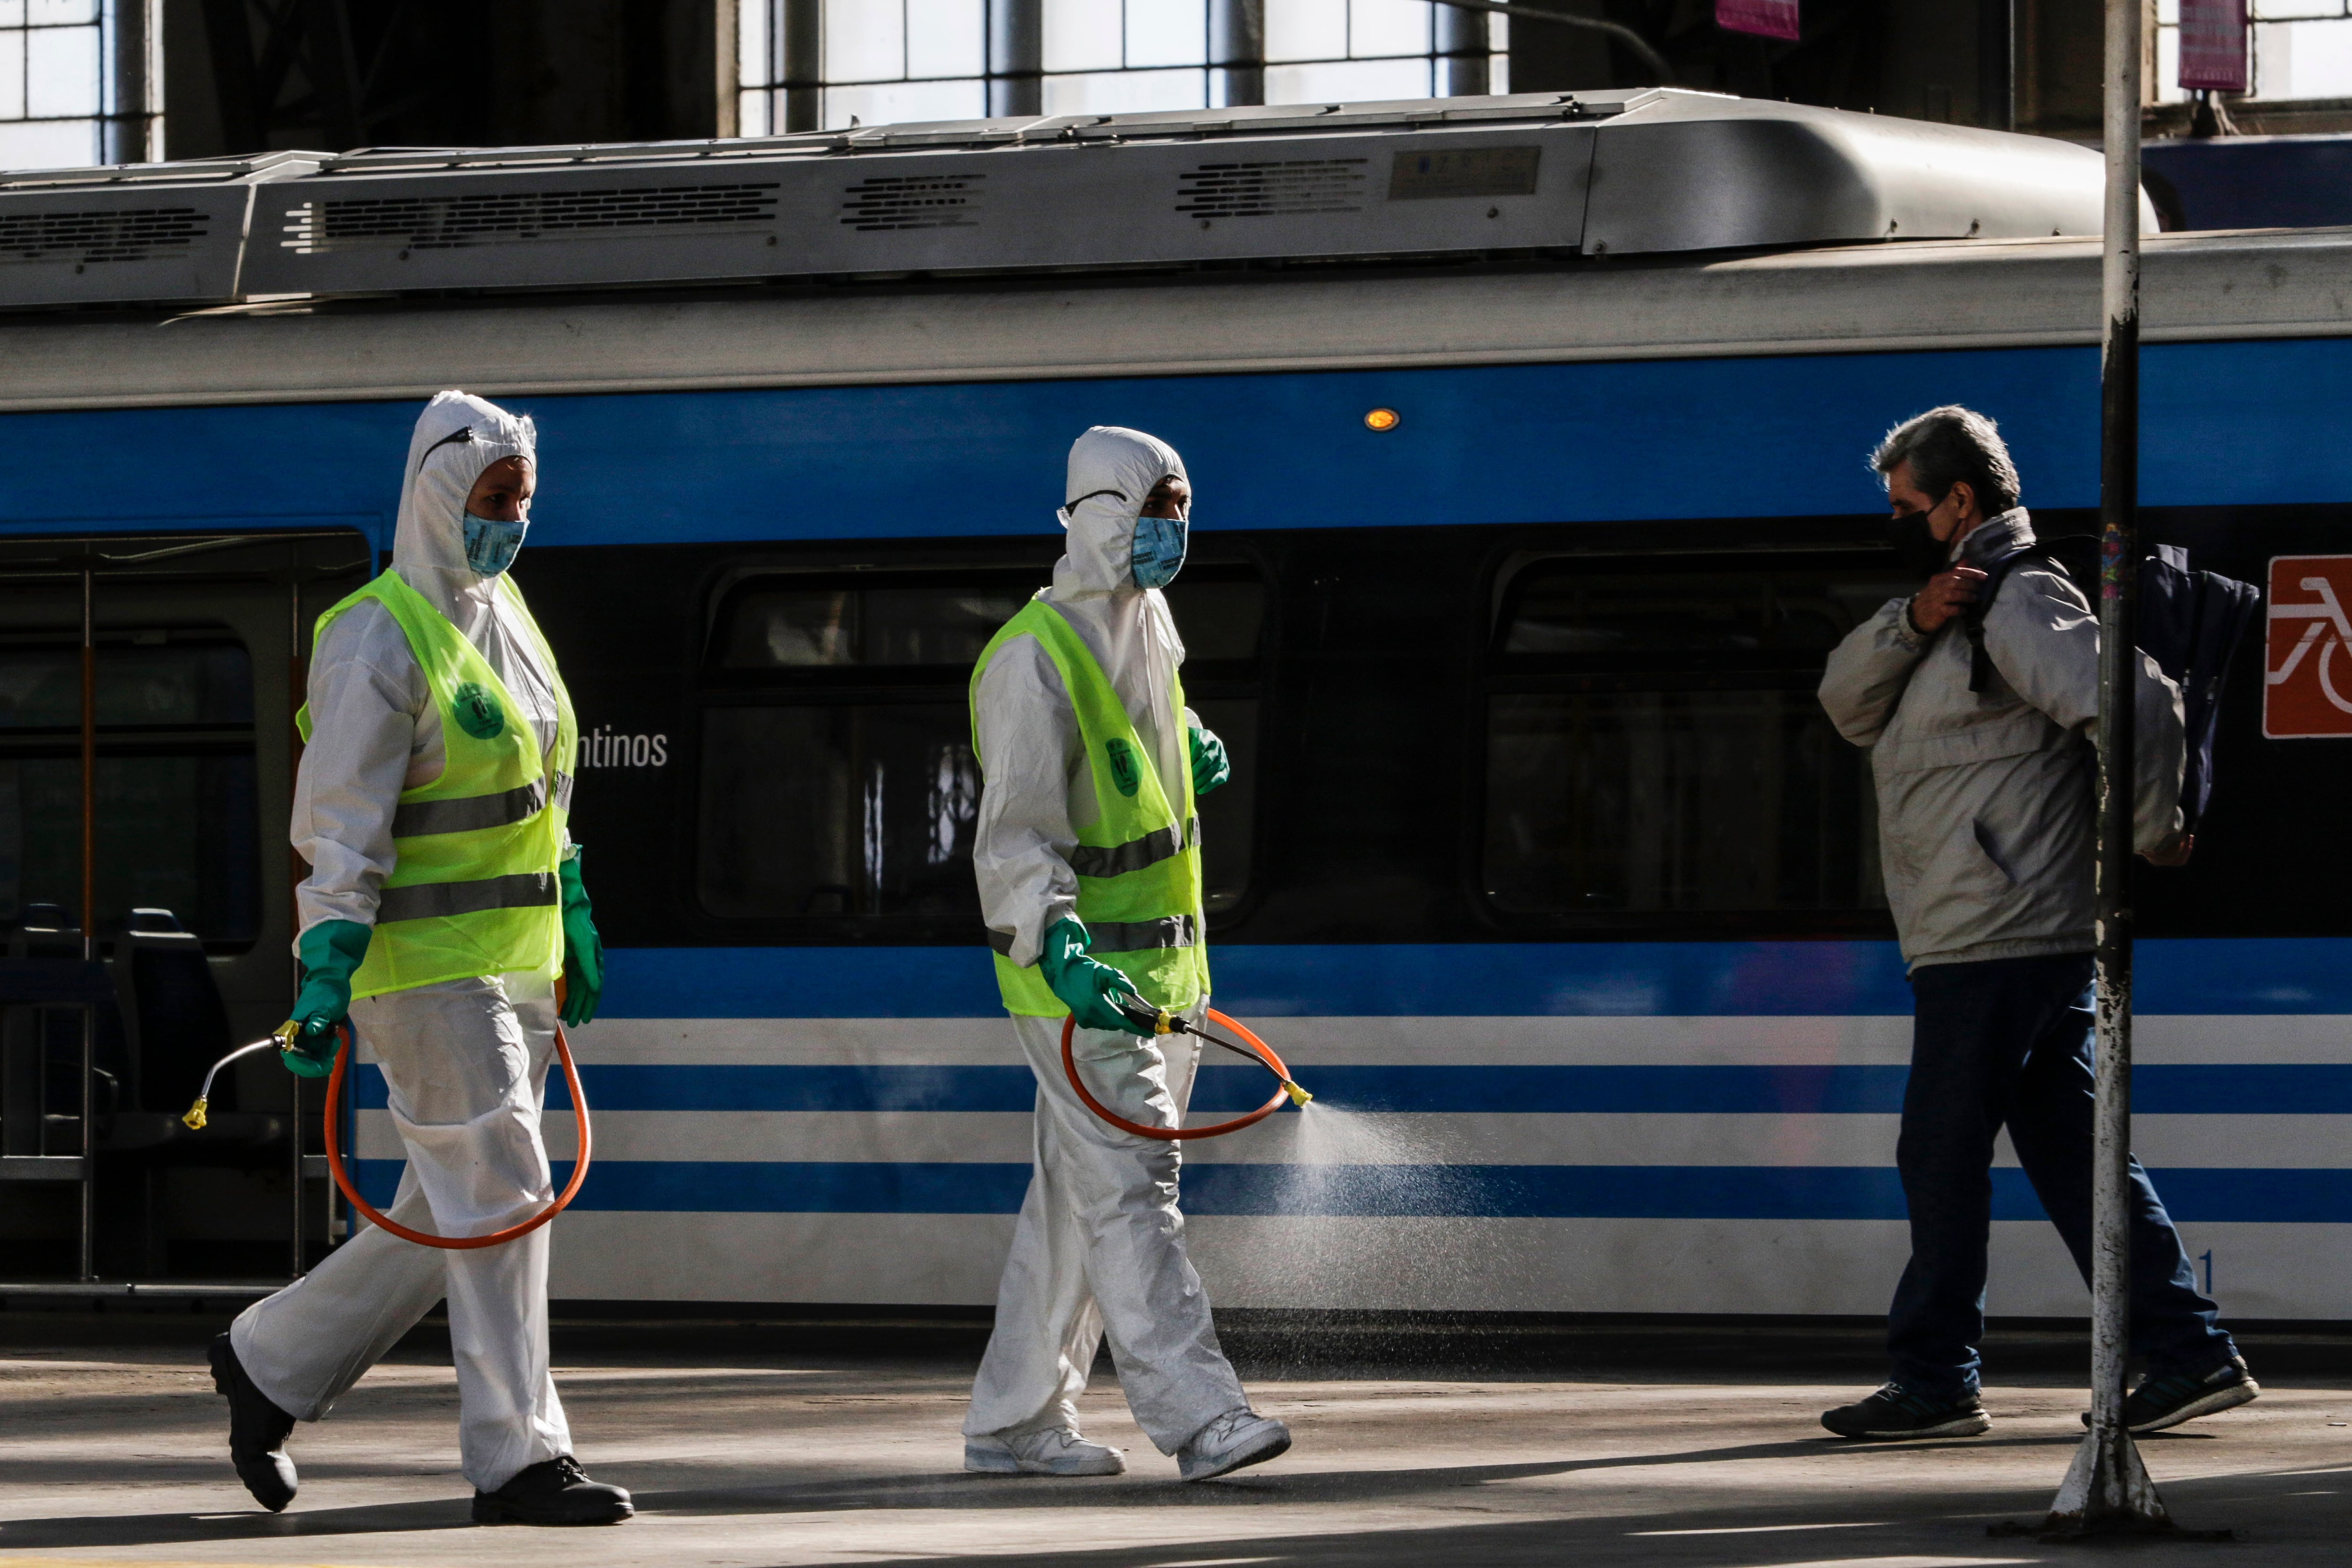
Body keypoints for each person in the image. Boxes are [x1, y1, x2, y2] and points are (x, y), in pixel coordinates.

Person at [207, 391, 629, 1525]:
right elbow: (339, 821)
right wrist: (322, 965)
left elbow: (544, 791)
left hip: (513, 965)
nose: (512, 522)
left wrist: (573, 902)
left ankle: (268, 1359)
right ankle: (519, 1457)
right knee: (504, 1196)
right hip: (421, 970)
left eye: (523, 501)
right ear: (440, 497)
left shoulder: (513, 619)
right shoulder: (374, 633)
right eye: (496, 500)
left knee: (454, 1207)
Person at [1816, 406, 2256, 1441]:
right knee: (2074, 1154)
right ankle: (2189, 1350)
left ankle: (1932, 1378)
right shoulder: (1948, 611)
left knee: (1937, 1150)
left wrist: (2155, 831)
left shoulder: (2022, 598)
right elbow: (1842, 702)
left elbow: (2137, 707)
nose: (1894, 521)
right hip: (1986, 929)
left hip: (2003, 929)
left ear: (1958, 500)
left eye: (1904, 506)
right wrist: (1912, 618)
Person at [961, 425, 1290, 1482]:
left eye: (1181, 507)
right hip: (1078, 981)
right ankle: (1202, 1417)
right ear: (1099, 514)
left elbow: (1133, 742)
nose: (1172, 530)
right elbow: (1014, 834)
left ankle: (1013, 1421)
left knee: (1075, 1201)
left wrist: (1179, 737)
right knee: (1134, 1187)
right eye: (1153, 509)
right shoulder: (1028, 657)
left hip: (1162, 975)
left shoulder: (1149, 622)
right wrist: (1056, 946)